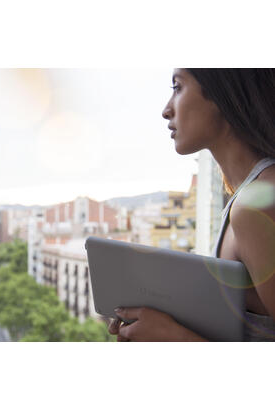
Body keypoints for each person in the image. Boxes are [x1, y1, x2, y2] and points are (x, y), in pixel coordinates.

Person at [108, 68, 275, 342]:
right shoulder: (247, 199)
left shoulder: (259, 204)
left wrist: (174, 337)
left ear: (223, 91)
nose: (166, 110)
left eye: (178, 87)